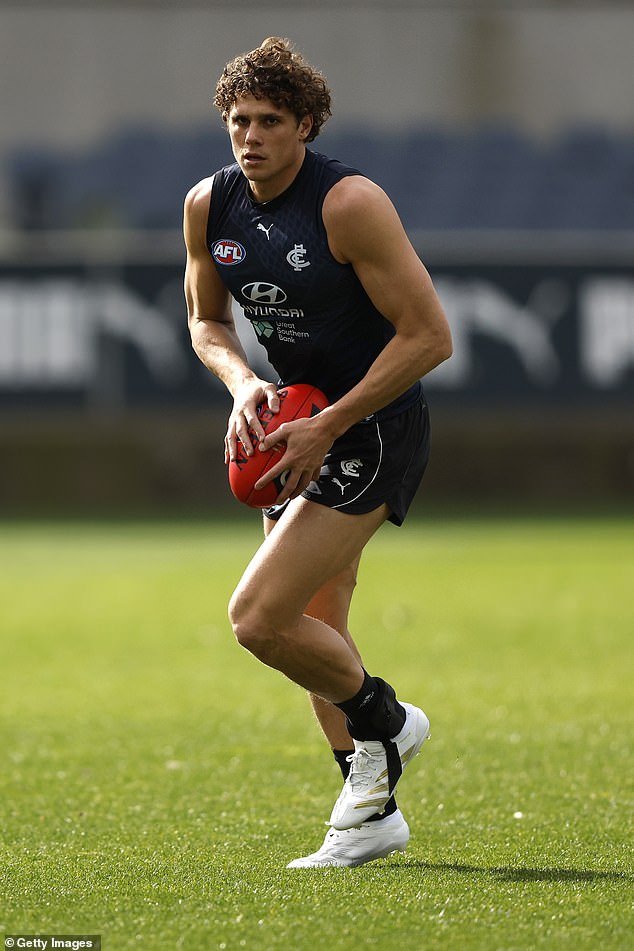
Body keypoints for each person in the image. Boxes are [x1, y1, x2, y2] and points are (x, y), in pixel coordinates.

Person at [184, 37, 452, 868]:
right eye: (239, 121)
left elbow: (430, 337)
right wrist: (239, 386)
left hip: (371, 427)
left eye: (270, 121)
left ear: (306, 124)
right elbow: (206, 320)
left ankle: (389, 721)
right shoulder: (209, 204)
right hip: (296, 425)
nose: (251, 137)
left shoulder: (348, 204)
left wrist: (332, 420)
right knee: (312, 626)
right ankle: (369, 809)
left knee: (258, 618)